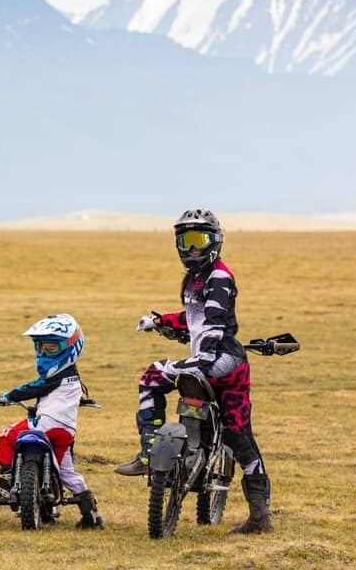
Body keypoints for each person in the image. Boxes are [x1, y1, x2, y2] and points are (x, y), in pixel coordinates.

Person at [114, 208, 273, 534]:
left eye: (199, 240)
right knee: (151, 378)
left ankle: (260, 516)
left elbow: (213, 327)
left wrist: (196, 363)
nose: (192, 249)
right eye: (185, 241)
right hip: (204, 358)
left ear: (214, 241)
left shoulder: (219, 278)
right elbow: (194, 319)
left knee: (238, 435)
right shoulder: (194, 280)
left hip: (225, 363)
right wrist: (160, 322)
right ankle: (150, 449)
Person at [0, 314, 104, 529]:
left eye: (52, 348)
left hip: (45, 424)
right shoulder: (73, 378)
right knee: (67, 473)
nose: (45, 353)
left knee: (7, 435)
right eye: (40, 347)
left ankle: (5, 486)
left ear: (71, 346)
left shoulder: (57, 377)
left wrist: (8, 396)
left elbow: (34, 388)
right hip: (65, 432)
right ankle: (91, 516)